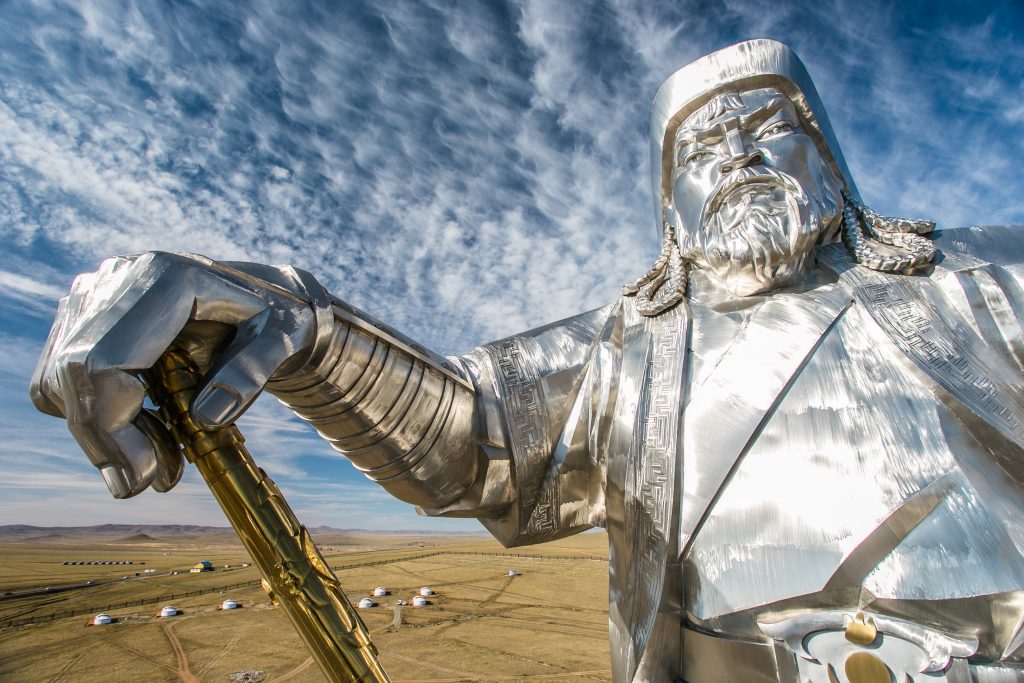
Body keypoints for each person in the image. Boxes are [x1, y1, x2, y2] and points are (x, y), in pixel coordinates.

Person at [30, 40, 1024, 682]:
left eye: (770, 126)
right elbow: (469, 434)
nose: (740, 158)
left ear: (831, 159)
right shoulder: (627, 352)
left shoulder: (988, 276)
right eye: (701, 149)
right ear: (666, 210)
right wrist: (305, 320)